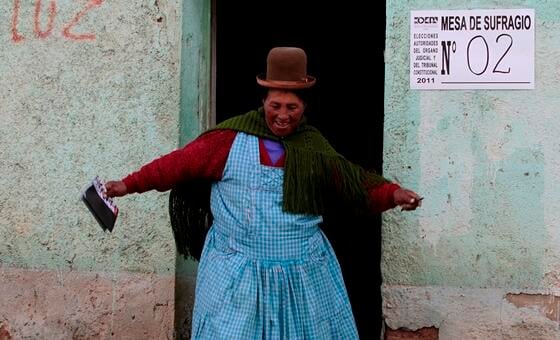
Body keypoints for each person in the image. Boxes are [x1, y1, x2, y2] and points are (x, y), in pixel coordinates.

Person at [105, 46, 422, 339]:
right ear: (263, 102)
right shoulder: (228, 140)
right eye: (275, 106)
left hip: (303, 276)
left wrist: (394, 194)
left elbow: (354, 186)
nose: (283, 115)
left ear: (304, 107)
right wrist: (127, 185)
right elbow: (176, 166)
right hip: (238, 273)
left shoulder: (314, 149)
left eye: (292, 107)